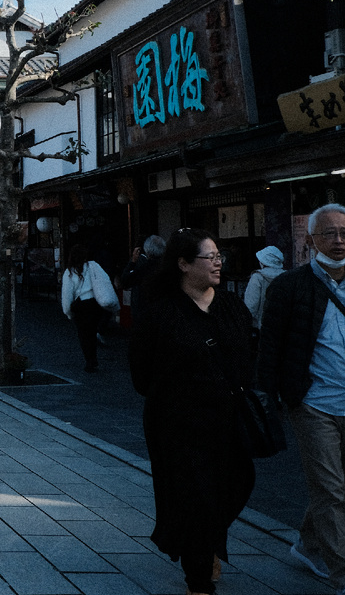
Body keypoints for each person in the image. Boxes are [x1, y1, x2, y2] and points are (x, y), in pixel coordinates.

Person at [130, 228, 255, 595]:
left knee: (239, 482)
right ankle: (198, 580)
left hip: (229, 419)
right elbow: (141, 375)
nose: (218, 263)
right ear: (183, 264)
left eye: (219, 256)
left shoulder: (231, 306)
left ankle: (206, 540)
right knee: (195, 497)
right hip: (178, 424)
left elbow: (248, 358)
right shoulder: (160, 312)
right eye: (209, 257)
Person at [259, 204, 345, 593]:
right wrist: (270, 401)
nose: (338, 240)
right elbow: (269, 348)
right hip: (314, 403)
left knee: (343, 486)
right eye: (329, 233)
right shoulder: (289, 286)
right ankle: (344, 574)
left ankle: (307, 544)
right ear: (311, 240)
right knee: (329, 489)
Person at [60, 245, 119, 372]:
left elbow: (67, 294)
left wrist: (68, 312)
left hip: (80, 305)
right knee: (92, 332)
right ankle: (93, 358)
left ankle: (90, 360)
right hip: (94, 303)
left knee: (83, 335)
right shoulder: (93, 266)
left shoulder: (69, 272)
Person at [119, 235, 166, 320]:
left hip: (143, 312)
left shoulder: (143, 268)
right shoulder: (166, 268)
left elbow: (125, 281)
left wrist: (132, 262)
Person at [243, 245, 284, 335]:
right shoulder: (287, 276)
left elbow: (251, 306)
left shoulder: (257, 277)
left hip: (263, 327)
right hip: (285, 326)